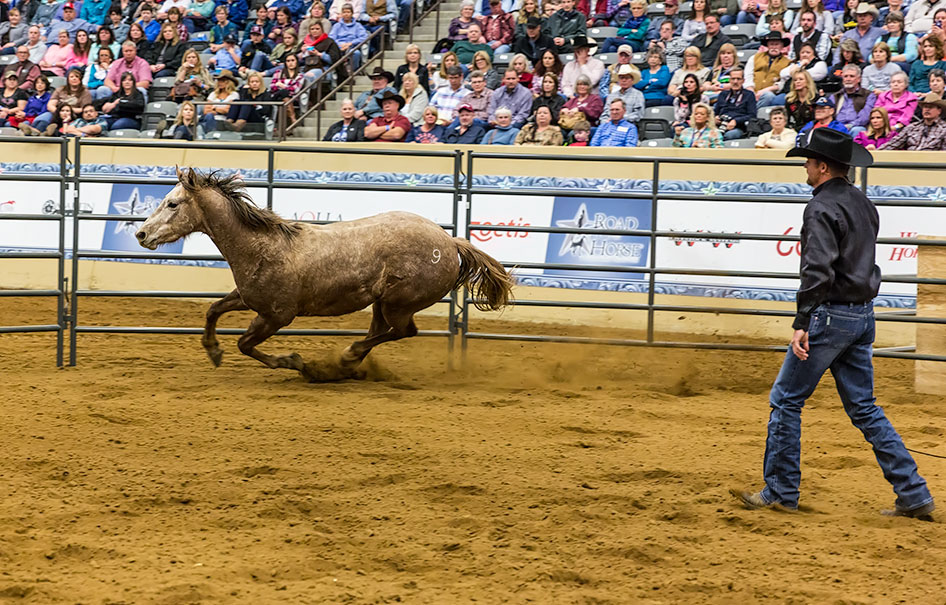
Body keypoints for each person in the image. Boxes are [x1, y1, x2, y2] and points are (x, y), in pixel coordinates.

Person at [732, 127, 936, 521]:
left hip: (830, 314)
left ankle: (780, 491)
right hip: (862, 314)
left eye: (809, 161)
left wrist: (803, 319)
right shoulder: (862, 203)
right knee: (865, 407)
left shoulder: (820, 208)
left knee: (786, 400)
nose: (806, 168)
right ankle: (913, 493)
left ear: (823, 167)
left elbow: (817, 269)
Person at [881, 91, 946, 149]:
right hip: (909, 161)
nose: (927, 109)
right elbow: (892, 144)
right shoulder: (911, 127)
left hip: (932, 161)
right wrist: (875, 153)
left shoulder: (944, 129)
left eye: (931, 107)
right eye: (925, 107)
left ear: (939, 111)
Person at [751, 31, 792, 107]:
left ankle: (754, 114)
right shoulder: (755, 57)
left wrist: (766, 90)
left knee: (768, 96)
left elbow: (783, 83)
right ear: (767, 45)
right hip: (751, 90)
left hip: (771, 93)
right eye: (771, 44)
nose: (774, 47)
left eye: (777, 44)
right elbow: (748, 76)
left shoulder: (788, 62)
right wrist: (750, 90)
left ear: (782, 46)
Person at [714, 68, 756, 139]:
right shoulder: (723, 94)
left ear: (743, 81)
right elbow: (715, 113)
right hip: (721, 125)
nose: (735, 81)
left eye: (738, 79)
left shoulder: (749, 95)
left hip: (738, 127)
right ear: (729, 80)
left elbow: (752, 115)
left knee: (729, 135)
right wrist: (715, 118)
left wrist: (736, 121)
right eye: (733, 79)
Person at [834, 63, 875, 135]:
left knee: (857, 130)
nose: (848, 79)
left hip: (857, 126)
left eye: (851, 76)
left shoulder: (868, 95)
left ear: (859, 79)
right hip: (838, 127)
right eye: (845, 76)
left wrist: (850, 125)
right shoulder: (836, 96)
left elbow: (865, 117)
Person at [330, 3, 368, 72]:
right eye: (344, 12)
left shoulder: (358, 25)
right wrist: (340, 45)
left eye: (348, 12)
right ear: (341, 14)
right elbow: (331, 38)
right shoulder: (337, 26)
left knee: (356, 53)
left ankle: (352, 71)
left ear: (352, 13)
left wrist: (350, 43)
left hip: (352, 47)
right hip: (339, 47)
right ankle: (338, 71)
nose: (346, 14)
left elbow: (364, 37)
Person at [268, 53, 303, 123]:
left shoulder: (300, 76)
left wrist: (281, 85)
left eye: (293, 60)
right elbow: (272, 87)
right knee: (284, 93)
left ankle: (282, 125)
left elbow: (295, 90)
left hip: (292, 99)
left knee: (284, 94)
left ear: (296, 61)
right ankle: (293, 118)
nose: (290, 63)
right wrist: (287, 87)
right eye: (288, 61)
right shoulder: (278, 73)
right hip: (276, 95)